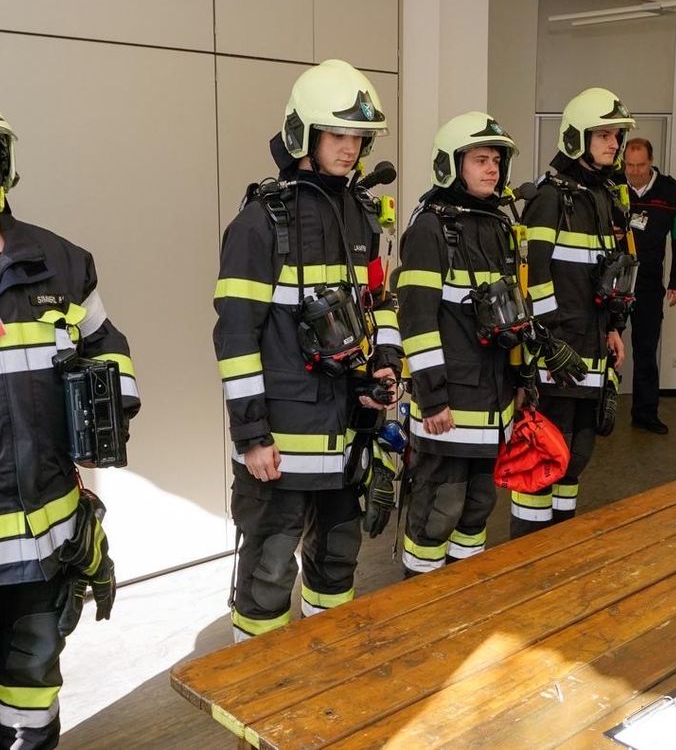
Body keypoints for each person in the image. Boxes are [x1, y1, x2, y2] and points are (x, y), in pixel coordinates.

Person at [213, 59, 403, 641]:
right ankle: (255, 703)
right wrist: (251, 437)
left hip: (349, 434)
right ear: (305, 134)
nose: (351, 150)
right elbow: (236, 335)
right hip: (283, 447)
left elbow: (380, 299)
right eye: (338, 135)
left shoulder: (362, 214)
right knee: (269, 575)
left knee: (337, 566)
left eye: (358, 138)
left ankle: (326, 675)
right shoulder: (258, 223)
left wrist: (387, 364)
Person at [0, 110, 140, 748]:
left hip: (43, 537)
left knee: (34, 683)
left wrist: (104, 415)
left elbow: (107, 349)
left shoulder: (60, 262)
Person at [395, 112, 530, 575]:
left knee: (476, 511)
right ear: (451, 166)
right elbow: (416, 319)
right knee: (438, 513)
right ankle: (422, 605)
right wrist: (432, 400)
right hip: (448, 410)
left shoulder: (497, 225)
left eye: (495, 160)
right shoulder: (431, 229)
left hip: (493, 407)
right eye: (479, 160)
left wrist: (520, 380)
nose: (491, 169)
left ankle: (463, 601)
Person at [512, 87, 635, 536]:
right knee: (546, 454)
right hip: (557, 354)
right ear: (575, 139)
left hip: (593, 346)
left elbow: (609, 276)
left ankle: (558, 542)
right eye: (602, 134)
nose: (613, 144)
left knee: (578, 453)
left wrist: (615, 329)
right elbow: (533, 277)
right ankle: (527, 556)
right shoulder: (550, 198)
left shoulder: (604, 198)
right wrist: (547, 342)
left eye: (616, 136)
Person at [622, 137, 676, 435]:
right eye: (629, 165)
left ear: (651, 162)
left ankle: (645, 413)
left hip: (649, 284)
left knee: (646, 350)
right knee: (601, 348)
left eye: (640, 165)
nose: (634, 172)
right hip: (611, 282)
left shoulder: (671, 191)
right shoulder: (612, 185)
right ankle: (595, 413)